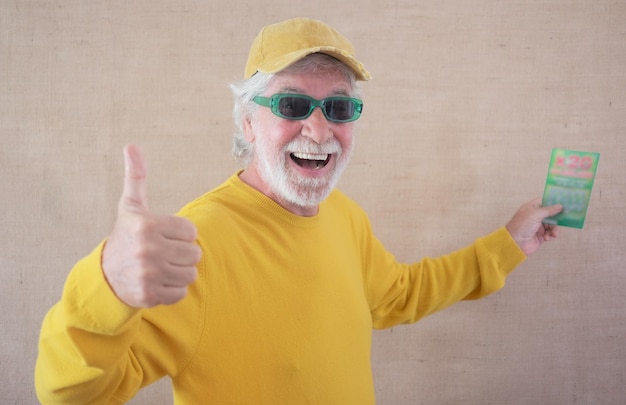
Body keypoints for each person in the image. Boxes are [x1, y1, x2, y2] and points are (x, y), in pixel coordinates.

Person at [35, 17, 562, 404]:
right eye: (291, 105)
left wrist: (509, 243)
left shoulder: (345, 218)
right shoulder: (198, 242)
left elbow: (399, 294)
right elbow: (72, 394)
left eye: (338, 106)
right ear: (247, 122)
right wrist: (106, 286)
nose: (318, 129)